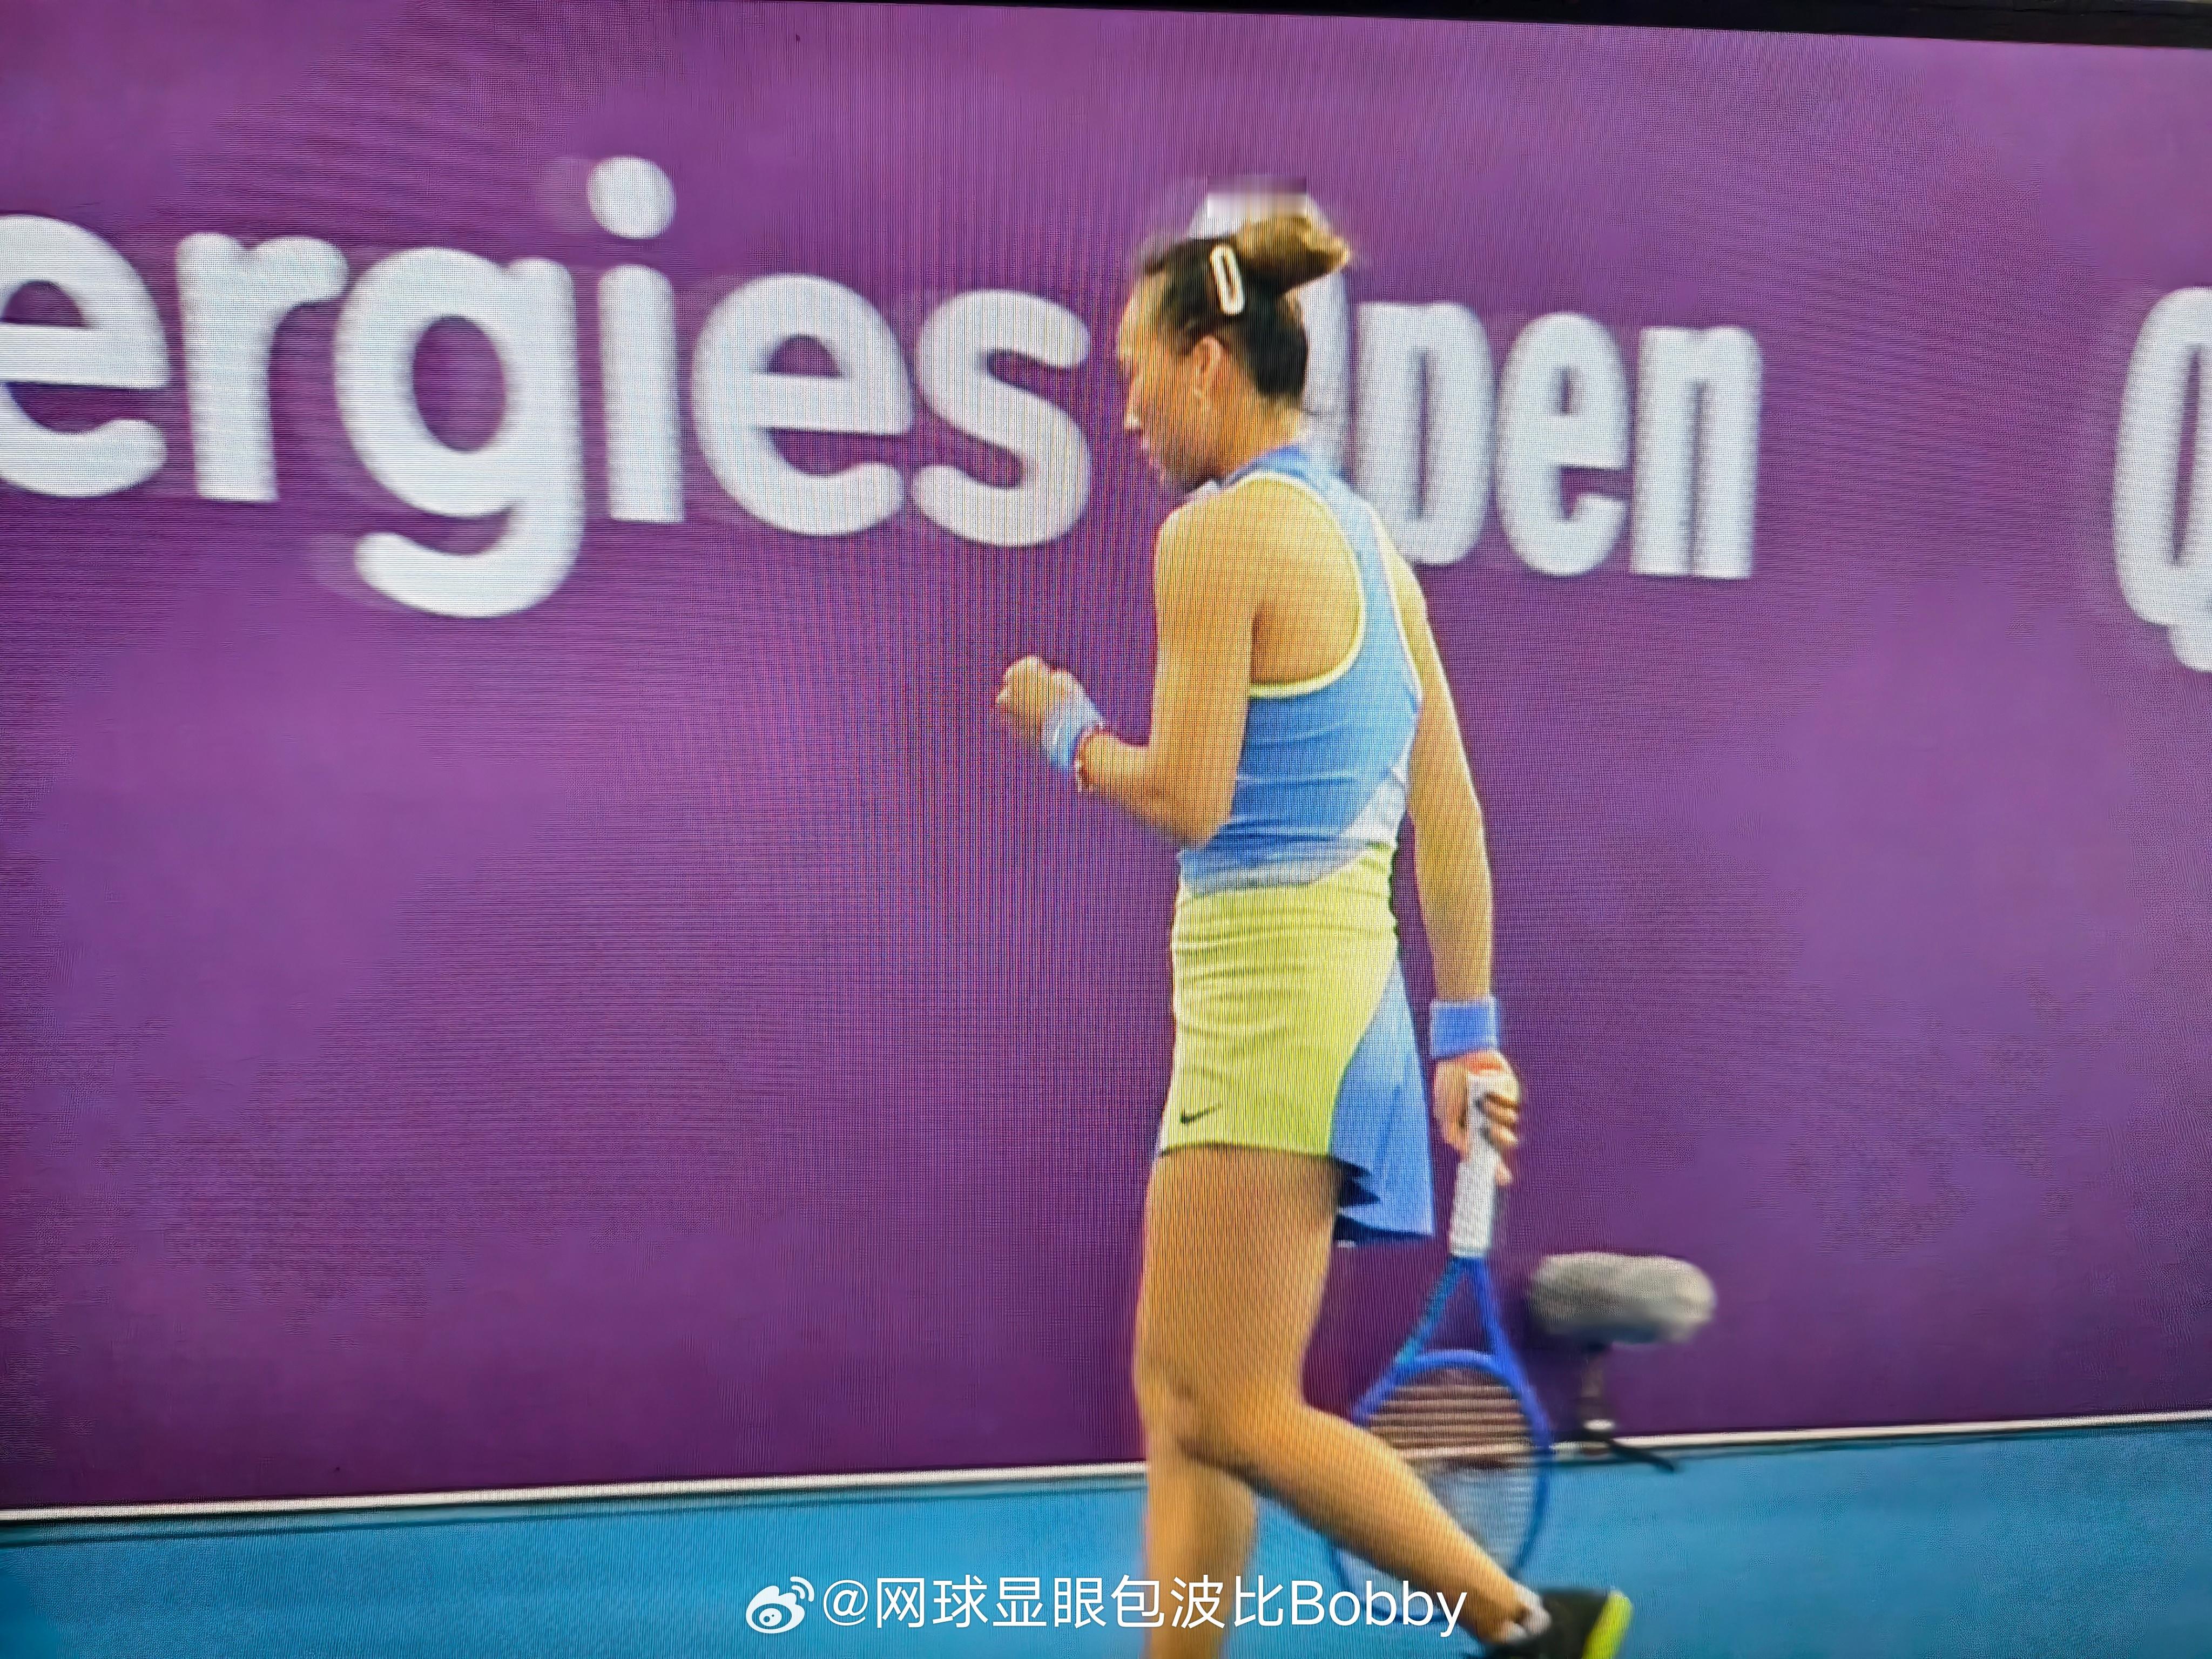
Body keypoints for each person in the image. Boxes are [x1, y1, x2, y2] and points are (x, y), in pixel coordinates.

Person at [992, 208, 1632, 1658]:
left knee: (1227, 1402)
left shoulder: (1216, 536)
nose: (1128, 407)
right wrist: (1469, 1036)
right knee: (1185, 1400)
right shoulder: (1366, 544)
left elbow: (1190, 797)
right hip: (1345, 1012)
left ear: (1207, 361)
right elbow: (1450, 809)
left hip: (1275, 1021)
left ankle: (1527, 1625)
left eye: (1134, 369)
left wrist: (1068, 732)